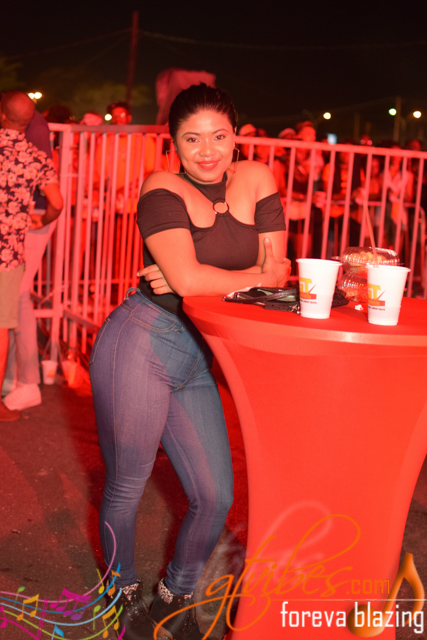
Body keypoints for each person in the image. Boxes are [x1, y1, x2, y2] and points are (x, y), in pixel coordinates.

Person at [89, 83, 290, 640]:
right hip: (141, 343)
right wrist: (239, 276)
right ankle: (121, 594)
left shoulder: (258, 177)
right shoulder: (162, 187)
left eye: (219, 136)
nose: (208, 151)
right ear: (173, 143)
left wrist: (200, 278)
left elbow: (277, 275)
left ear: (236, 136)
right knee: (127, 485)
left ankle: (175, 595)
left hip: (198, 358)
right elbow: (212, 277)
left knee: (215, 496)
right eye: (192, 139)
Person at [0, 92, 63, 421]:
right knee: (1, 327)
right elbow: (57, 203)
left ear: (2, 115)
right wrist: (42, 219)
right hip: (8, 255)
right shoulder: (36, 156)